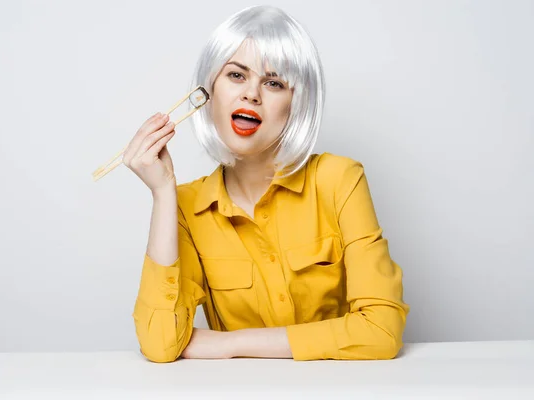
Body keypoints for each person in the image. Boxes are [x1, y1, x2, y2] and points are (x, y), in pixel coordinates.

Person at [126, 5, 410, 363]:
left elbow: (382, 332)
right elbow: (160, 343)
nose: (252, 94)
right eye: (236, 75)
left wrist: (229, 344)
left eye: (273, 82)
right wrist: (163, 192)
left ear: (296, 103)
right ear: (209, 90)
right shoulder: (186, 206)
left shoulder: (339, 180)